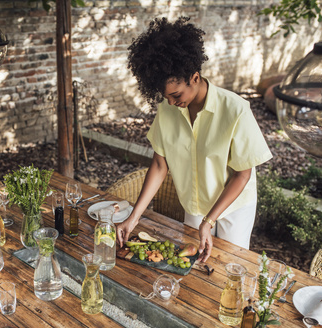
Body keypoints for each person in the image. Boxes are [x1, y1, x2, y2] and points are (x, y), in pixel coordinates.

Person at [116, 17, 272, 262]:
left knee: (228, 265)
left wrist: (209, 222)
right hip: (194, 205)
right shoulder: (168, 110)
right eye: (166, 96)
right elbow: (159, 164)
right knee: (193, 267)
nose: (171, 102)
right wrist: (133, 217)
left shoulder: (235, 110)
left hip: (234, 207)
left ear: (195, 77)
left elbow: (243, 174)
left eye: (176, 94)